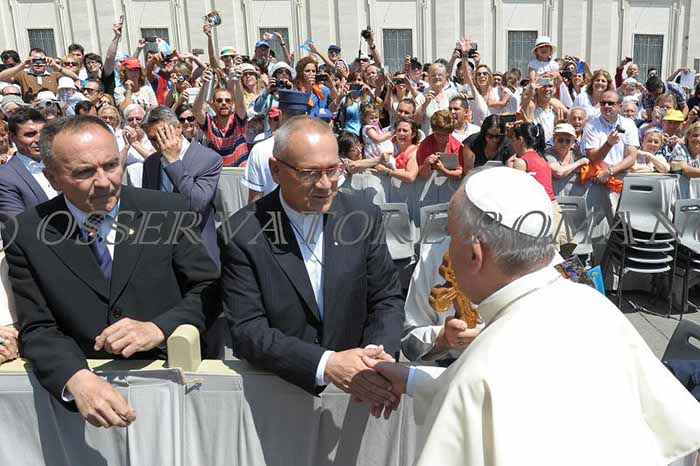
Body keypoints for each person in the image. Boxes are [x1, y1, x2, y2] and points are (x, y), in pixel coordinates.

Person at [361, 166, 700, 465]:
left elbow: (477, 393)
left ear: (476, 254)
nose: (446, 249)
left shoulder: (483, 364)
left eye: (450, 235)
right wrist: (411, 379)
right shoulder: (593, 304)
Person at [2, 115, 220, 427]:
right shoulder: (26, 232)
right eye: (84, 172)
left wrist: (159, 328)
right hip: (85, 406)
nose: (104, 182)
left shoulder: (168, 209)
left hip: (169, 390)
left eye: (111, 165)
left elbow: (208, 290)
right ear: (52, 177)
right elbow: (38, 326)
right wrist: (75, 378)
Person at [219, 116, 404, 407]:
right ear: (276, 170)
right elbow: (248, 329)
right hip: (279, 395)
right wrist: (326, 364)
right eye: (309, 173)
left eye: (333, 170)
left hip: (361, 394)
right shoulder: (241, 233)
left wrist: (375, 358)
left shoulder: (363, 217)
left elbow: (386, 298)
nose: (325, 184)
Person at [140, 106, 223, 267]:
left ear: (178, 128)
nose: (159, 143)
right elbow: (148, 207)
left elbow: (196, 204)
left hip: (198, 252)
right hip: (162, 252)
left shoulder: (209, 159)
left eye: (163, 135)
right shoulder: (150, 163)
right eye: (152, 139)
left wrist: (173, 161)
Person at [242, 89, 311, 203]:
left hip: (271, 213)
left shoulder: (260, 149)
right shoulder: (319, 148)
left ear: (280, 115)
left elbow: (255, 199)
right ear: (306, 116)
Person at [0, 108, 56, 217]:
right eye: (30, 134)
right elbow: (17, 222)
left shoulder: (60, 163)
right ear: (12, 137)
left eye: (43, 133)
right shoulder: (4, 177)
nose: (39, 139)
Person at [192, 69, 248, 166]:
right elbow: (196, 111)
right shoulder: (209, 123)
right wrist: (204, 85)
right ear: (213, 104)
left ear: (232, 103)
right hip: (218, 171)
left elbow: (240, 105)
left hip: (240, 170)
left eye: (227, 100)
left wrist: (238, 81)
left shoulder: (238, 120)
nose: (224, 103)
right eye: (219, 100)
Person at [582, 90, 639, 181]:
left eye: (610, 103)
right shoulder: (591, 125)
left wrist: (609, 172)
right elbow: (594, 159)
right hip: (597, 178)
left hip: (620, 177)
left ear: (619, 106)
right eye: (603, 103)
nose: (606, 106)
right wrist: (608, 144)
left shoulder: (629, 124)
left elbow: (631, 157)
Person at [0, 48, 80, 102]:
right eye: (35, 60)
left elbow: (75, 77)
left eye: (41, 60)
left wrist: (55, 65)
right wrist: (22, 65)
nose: (38, 63)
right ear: (30, 59)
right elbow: (1, 77)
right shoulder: (22, 75)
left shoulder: (54, 75)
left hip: (52, 110)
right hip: (32, 112)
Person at [416, 109, 463, 180]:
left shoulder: (456, 146)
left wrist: (443, 170)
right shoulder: (425, 144)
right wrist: (426, 163)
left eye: (444, 135)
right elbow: (421, 175)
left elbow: (459, 174)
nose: (440, 138)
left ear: (450, 133)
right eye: (437, 134)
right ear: (433, 130)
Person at [522, 77, 569, 145]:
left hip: (552, 148)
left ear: (554, 89)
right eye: (543, 86)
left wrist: (558, 126)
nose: (547, 89)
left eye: (550, 86)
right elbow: (523, 112)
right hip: (536, 147)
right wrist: (530, 95)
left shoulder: (556, 108)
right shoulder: (532, 106)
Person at [414, 62, 459, 134]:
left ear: (445, 77)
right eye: (433, 75)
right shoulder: (421, 97)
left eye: (440, 74)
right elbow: (415, 122)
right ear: (429, 78)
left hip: (447, 137)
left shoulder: (451, 96)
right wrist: (425, 104)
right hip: (429, 138)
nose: (437, 77)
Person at [545, 123, 589, 191]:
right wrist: (579, 162)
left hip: (574, 197)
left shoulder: (577, 155)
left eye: (568, 141)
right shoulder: (548, 154)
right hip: (554, 196)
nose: (564, 144)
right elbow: (558, 172)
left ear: (572, 143)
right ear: (554, 140)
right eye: (560, 140)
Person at [375, 117, 420, 183]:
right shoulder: (388, 145)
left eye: (405, 131)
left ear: (413, 134)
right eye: (399, 130)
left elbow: (410, 177)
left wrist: (386, 171)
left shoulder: (414, 152)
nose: (401, 133)